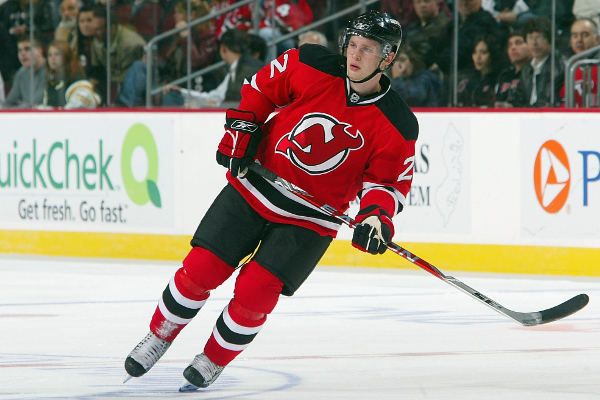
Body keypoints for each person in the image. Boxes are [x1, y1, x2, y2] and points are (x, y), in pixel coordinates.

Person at [123, 10, 417, 391]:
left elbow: (386, 183)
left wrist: (376, 217)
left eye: (368, 50)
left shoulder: (398, 123)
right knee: (200, 269)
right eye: (353, 45)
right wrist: (243, 129)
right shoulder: (310, 62)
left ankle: (213, 359)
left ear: (388, 58)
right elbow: (261, 90)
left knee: (255, 293)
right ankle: (159, 336)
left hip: (311, 219)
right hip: (256, 185)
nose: (355, 56)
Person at [162, 28, 264, 107]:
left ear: (223, 48)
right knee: (174, 96)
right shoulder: (236, 70)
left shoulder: (248, 69)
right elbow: (214, 97)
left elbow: (236, 103)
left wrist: (202, 108)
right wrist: (181, 92)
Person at [424, 0, 502, 74]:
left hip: (469, 73)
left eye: (469, 0)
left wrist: (438, 64)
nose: (465, 3)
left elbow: (463, 48)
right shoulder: (455, 22)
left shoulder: (484, 21)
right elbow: (438, 45)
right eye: (461, 0)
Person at [89, 6, 146, 103]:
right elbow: (97, 68)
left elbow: (127, 78)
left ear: (112, 28)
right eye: (93, 28)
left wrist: (103, 81)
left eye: (98, 29)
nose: (94, 33)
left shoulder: (130, 45)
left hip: (129, 90)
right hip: (112, 84)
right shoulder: (98, 38)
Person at [512, 16, 565, 107]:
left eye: (539, 38)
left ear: (551, 40)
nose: (534, 43)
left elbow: (549, 102)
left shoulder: (559, 65)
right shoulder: (527, 67)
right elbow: (519, 98)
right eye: (530, 38)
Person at [41, 40, 100, 108]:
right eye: (50, 55)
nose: (52, 58)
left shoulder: (76, 80)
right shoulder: (51, 83)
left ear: (66, 56)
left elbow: (77, 107)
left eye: (57, 54)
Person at [559, 18, 600, 107]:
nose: (579, 40)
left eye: (585, 35)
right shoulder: (570, 66)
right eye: (575, 36)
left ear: (597, 39)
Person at [456, 33, 505, 107]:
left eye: (483, 52)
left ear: (492, 54)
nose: (478, 57)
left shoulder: (500, 78)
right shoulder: (470, 78)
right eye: (475, 52)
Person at [2, 36, 46, 108]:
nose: (22, 53)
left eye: (27, 49)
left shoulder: (50, 71)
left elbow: (36, 103)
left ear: (39, 51)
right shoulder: (21, 73)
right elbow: (8, 103)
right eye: (20, 50)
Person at [494, 30, 531, 107]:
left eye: (518, 43)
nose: (513, 47)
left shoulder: (534, 73)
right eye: (509, 45)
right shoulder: (505, 76)